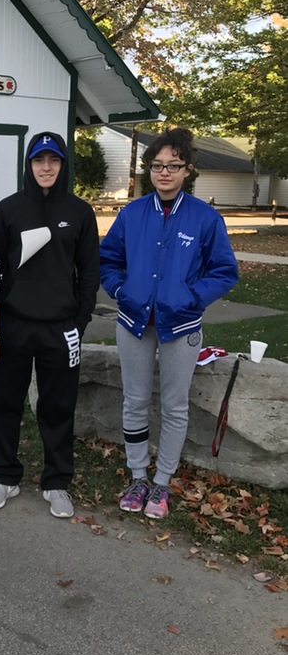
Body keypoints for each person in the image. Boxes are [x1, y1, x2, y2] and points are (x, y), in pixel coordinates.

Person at [99, 127, 238, 519]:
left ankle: (161, 483)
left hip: (181, 325)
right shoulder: (132, 213)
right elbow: (107, 260)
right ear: (149, 169)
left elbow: (224, 271)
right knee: (135, 401)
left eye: (173, 166)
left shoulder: (205, 218)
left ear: (187, 170)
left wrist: (190, 297)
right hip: (133, 322)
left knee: (175, 405)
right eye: (157, 166)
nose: (164, 173)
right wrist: (121, 290)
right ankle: (138, 475)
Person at [0, 132, 100, 518]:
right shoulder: (8, 209)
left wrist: (79, 321)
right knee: (4, 403)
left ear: (63, 165)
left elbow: (89, 272)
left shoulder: (81, 212)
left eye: (53, 161)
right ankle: (5, 476)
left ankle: (56, 482)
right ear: (29, 165)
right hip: (13, 324)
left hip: (60, 328)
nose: (46, 168)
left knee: (58, 406)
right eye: (38, 161)